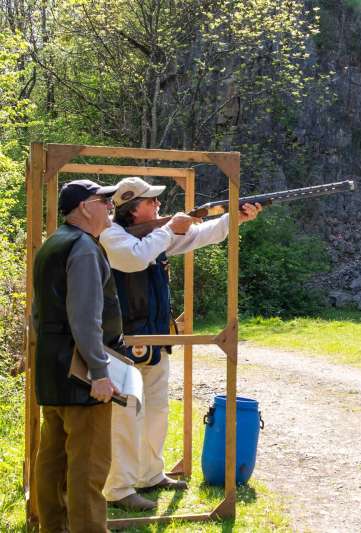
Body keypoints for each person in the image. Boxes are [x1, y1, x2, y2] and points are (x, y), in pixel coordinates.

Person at [99, 176, 261, 511]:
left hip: (156, 340)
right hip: (119, 342)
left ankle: (149, 474)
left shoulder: (157, 237)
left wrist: (236, 217)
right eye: (150, 201)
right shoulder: (111, 235)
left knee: (156, 411)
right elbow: (133, 259)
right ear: (131, 209)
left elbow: (203, 235)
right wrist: (170, 228)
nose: (158, 205)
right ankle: (118, 488)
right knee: (126, 418)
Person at [33, 179, 122, 533]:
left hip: (53, 369)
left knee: (51, 464)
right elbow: (85, 317)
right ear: (85, 207)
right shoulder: (84, 247)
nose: (110, 205)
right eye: (104, 199)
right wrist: (99, 372)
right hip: (80, 374)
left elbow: (38, 315)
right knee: (87, 471)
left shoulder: (52, 243)